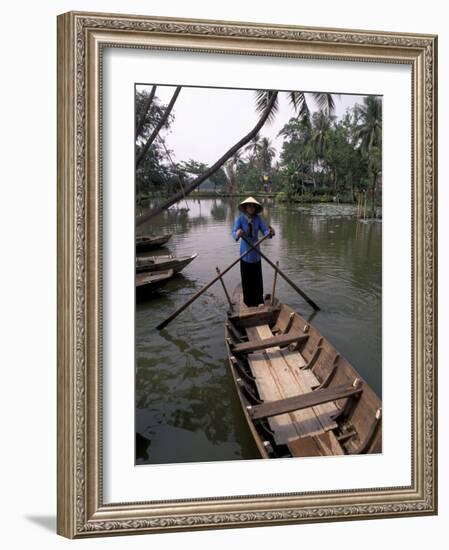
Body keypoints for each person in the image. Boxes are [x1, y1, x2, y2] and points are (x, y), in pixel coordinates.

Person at [232, 197, 275, 307]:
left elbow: (265, 230)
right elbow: (234, 232)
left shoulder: (258, 219)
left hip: (256, 253)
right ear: (246, 207)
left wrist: (270, 233)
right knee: (246, 278)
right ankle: (248, 301)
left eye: (253, 206)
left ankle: (259, 301)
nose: (251, 208)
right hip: (245, 253)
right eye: (249, 206)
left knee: (257, 278)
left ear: (255, 208)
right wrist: (238, 233)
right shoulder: (240, 219)